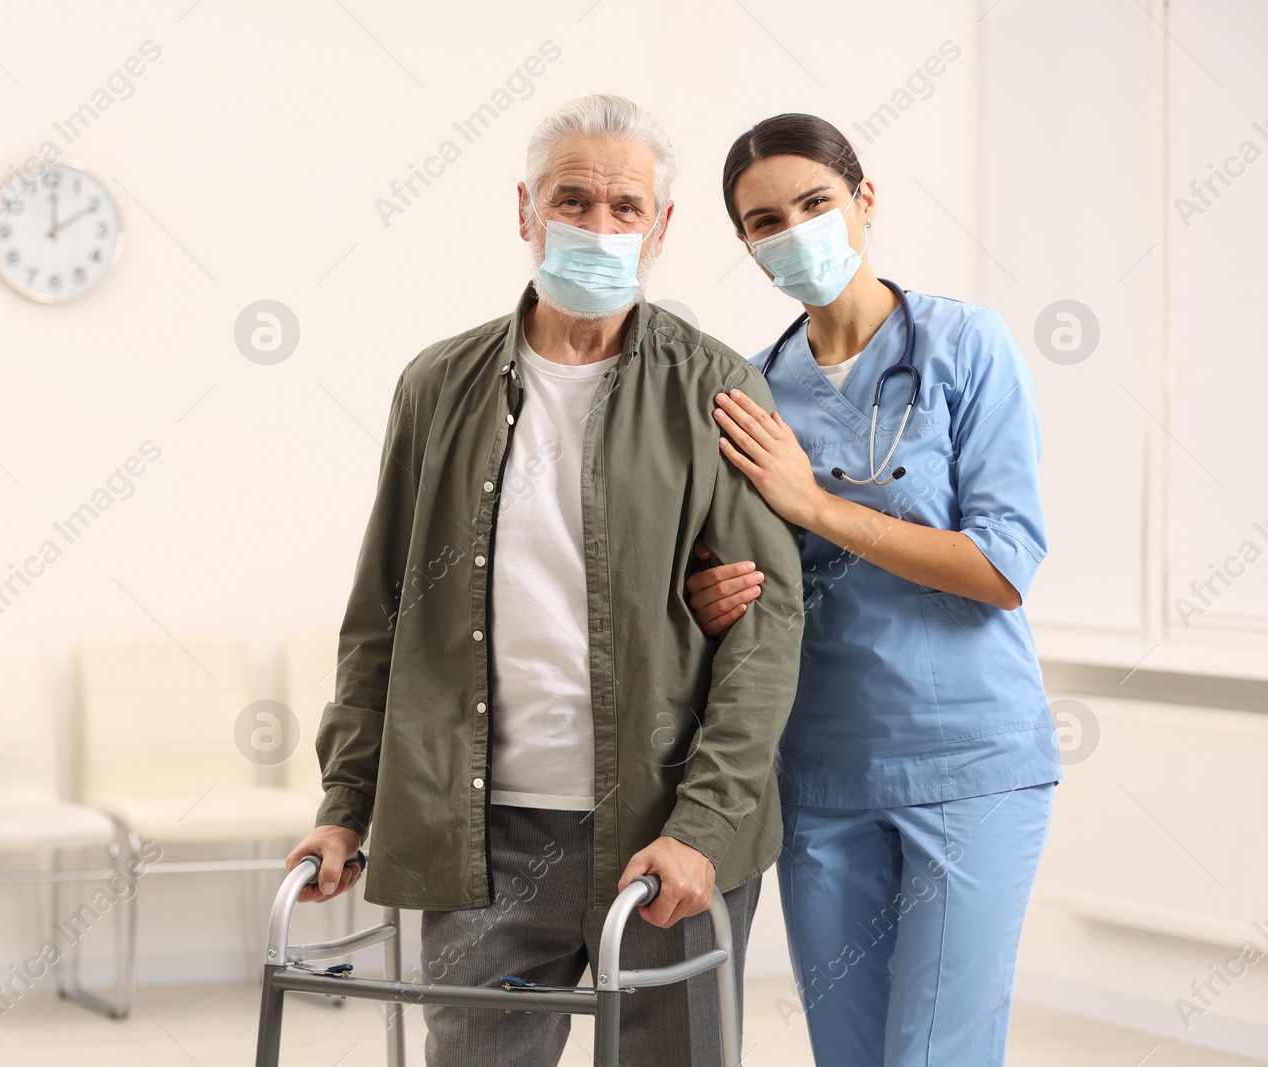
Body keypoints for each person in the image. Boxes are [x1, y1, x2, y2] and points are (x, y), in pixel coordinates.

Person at [285, 94, 804, 1066]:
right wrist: (345, 800)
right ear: (525, 210)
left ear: (660, 227)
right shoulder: (437, 384)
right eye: (573, 200)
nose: (598, 227)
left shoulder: (715, 388)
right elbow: (382, 616)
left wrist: (704, 824)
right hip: (477, 835)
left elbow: (765, 634)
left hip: (665, 832)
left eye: (624, 207)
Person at [687, 113, 1061, 1066]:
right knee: (847, 1052)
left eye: (815, 202)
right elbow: (761, 583)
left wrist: (812, 503)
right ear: (747, 247)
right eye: (766, 220)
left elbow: (1000, 567)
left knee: (935, 1050)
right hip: (823, 772)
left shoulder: (964, 346)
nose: (796, 230)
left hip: (970, 761)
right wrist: (707, 600)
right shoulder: (755, 390)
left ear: (866, 201)